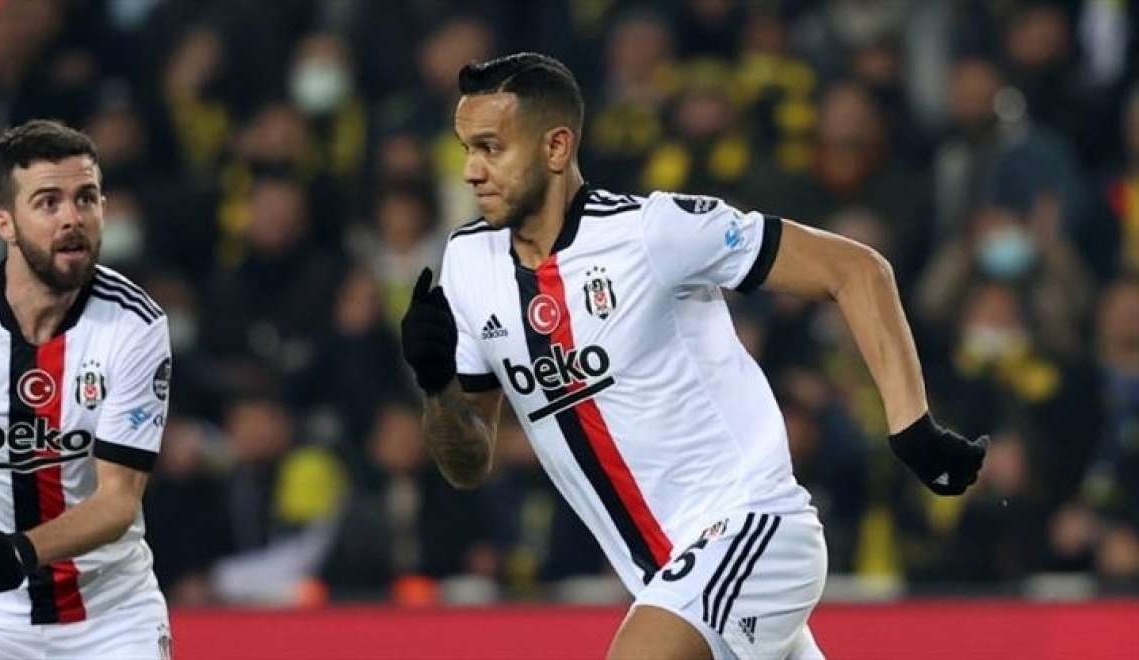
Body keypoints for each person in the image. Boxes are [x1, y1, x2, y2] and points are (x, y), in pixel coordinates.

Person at [400, 53, 988, 660]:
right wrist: (437, 386)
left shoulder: (653, 232)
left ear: (555, 148)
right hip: (667, 581)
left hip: (754, 531)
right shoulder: (468, 263)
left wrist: (913, 429)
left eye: (491, 148)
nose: (470, 171)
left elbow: (856, 269)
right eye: (466, 148)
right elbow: (468, 463)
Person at [0, 120, 172, 659]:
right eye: (48, 203)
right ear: (5, 223)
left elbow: (117, 502)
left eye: (85, 198)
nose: (72, 217)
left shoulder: (136, 325)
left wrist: (23, 550)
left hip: (110, 613)